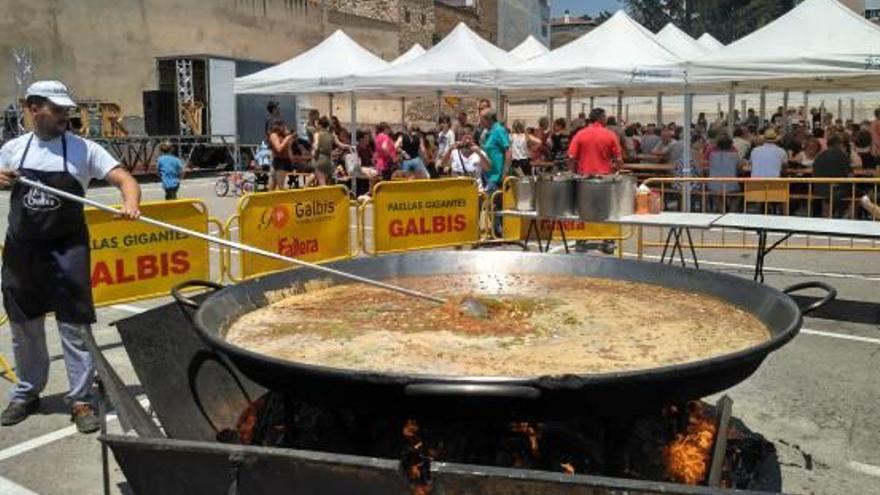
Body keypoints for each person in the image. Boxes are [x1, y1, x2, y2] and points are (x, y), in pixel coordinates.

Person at [0, 81, 142, 433]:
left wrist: (131, 202)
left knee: (74, 326)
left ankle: (81, 399)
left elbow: (124, 179)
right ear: (33, 108)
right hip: (22, 250)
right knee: (24, 327)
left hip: (67, 248)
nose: (65, 115)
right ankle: (27, 391)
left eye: (66, 109)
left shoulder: (83, 149)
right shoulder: (13, 149)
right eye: (56, 109)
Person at [567, 108, 622, 176]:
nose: (606, 120)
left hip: (584, 177)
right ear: (601, 118)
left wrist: (572, 172)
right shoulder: (611, 135)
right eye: (605, 117)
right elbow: (618, 158)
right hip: (605, 176)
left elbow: (571, 156)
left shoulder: (579, 134)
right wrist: (616, 170)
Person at [813, 133, 854, 217]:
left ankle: (828, 219)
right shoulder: (842, 155)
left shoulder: (819, 156)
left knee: (827, 201)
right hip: (838, 191)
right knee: (858, 194)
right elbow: (850, 176)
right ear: (838, 144)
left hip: (820, 190)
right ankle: (847, 217)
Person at [707, 134, 743, 212]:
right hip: (731, 185)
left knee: (716, 195)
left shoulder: (712, 155)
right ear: (730, 144)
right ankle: (731, 212)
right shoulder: (735, 156)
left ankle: (722, 211)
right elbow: (739, 169)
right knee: (737, 196)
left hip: (714, 185)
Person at [481, 111, 509, 194]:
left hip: (496, 177)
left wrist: (505, 171)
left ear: (488, 119)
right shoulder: (489, 132)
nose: (480, 122)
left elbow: (508, 150)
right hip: (487, 175)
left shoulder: (499, 130)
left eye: (481, 119)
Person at [312, 116, 344, 186]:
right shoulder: (331, 135)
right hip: (329, 160)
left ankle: (305, 191)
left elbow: (316, 147)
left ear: (320, 125)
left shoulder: (317, 134)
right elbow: (341, 145)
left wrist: (314, 153)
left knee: (322, 183)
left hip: (320, 159)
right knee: (327, 183)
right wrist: (349, 146)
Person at [267, 119, 295, 190]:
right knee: (278, 187)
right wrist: (287, 138)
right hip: (279, 162)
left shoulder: (284, 136)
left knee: (277, 186)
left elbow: (289, 150)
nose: (285, 128)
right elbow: (278, 148)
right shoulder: (274, 135)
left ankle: (274, 200)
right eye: (283, 126)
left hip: (285, 162)